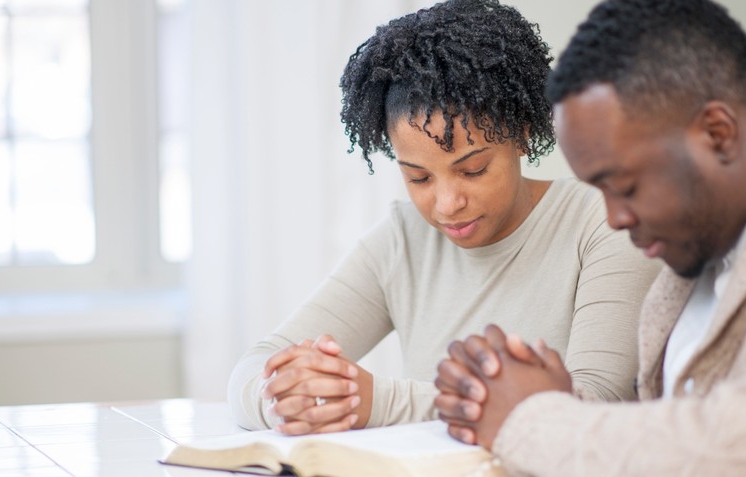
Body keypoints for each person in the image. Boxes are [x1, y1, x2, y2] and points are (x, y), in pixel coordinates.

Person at [434, 0, 746, 474]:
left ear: (718, 134)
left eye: (627, 187)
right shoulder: (707, 239)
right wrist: (555, 402)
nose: (613, 217)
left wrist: (532, 418)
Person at [227, 0, 659, 436]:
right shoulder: (403, 241)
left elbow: (594, 402)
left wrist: (379, 401)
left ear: (522, 133)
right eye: (418, 178)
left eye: (473, 170)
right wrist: (287, 402)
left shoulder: (603, 226)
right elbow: (255, 364)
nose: (447, 204)